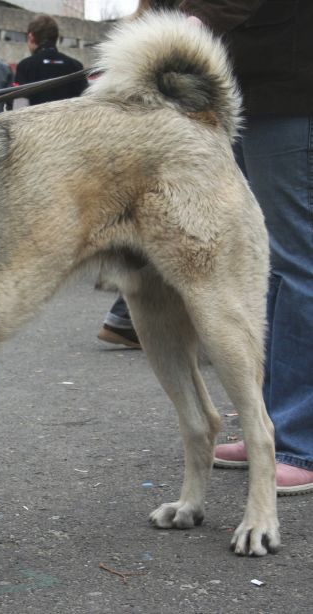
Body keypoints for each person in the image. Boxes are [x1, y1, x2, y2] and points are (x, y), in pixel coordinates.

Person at [176, 1, 313, 495]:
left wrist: (195, 19)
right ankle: (275, 429)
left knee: (300, 266)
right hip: (257, 88)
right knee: (275, 267)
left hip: (294, 89)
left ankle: (301, 440)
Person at [14, 14, 87, 106]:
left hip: (36, 120)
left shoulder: (25, 66)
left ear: (31, 37)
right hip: (69, 120)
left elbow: (19, 108)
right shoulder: (76, 66)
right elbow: (85, 105)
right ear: (55, 38)